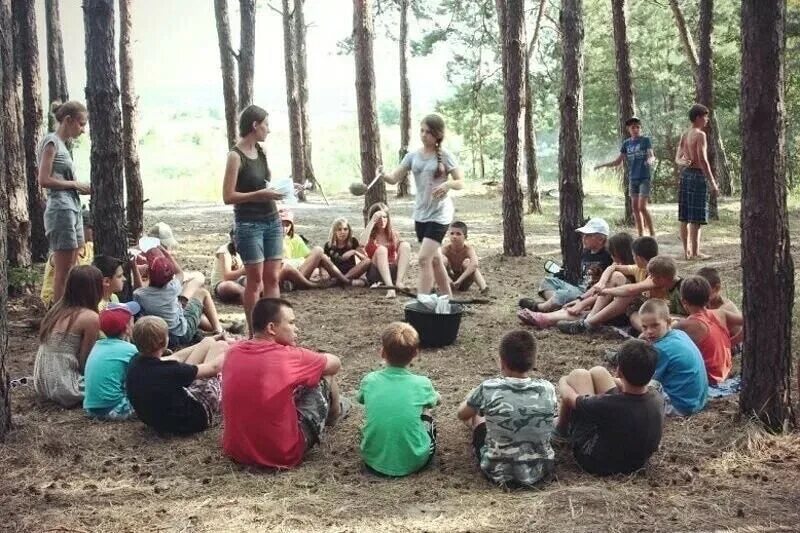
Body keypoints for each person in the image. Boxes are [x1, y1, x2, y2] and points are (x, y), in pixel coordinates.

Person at [222, 298, 347, 469]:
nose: (296, 328)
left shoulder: (233, 352)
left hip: (237, 451)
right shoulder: (288, 356)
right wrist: (309, 358)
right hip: (282, 454)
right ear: (271, 328)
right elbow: (335, 363)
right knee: (325, 376)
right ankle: (335, 415)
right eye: (291, 323)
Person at [378, 114, 464, 298]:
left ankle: (422, 301)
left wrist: (447, 184)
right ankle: (447, 299)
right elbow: (394, 179)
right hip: (421, 214)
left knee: (424, 259)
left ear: (437, 135)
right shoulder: (412, 156)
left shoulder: (446, 156)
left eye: (428, 132)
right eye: (422, 131)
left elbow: (460, 182)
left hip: (440, 214)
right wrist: (383, 174)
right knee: (434, 259)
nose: (424, 135)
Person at [456, 330, 556, 487]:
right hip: (541, 469)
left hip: (497, 470)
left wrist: (472, 398)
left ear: (501, 362)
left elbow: (462, 414)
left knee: (477, 416)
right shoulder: (547, 388)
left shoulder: (488, 388)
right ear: (533, 361)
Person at [556, 339, 665, 476]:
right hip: (637, 461)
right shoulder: (656, 396)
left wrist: (564, 380)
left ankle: (560, 430)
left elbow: (568, 398)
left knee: (578, 375)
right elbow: (625, 384)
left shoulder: (609, 405)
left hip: (598, 462)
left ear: (618, 370)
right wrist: (603, 378)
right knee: (599, 371)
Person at [222, 105, 285, 336]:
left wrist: (282, 189)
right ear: (254, 126)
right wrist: (259, 195)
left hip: (272, 220)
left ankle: (274, 329)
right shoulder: (235, 156)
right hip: (249, 224)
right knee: (255, 281)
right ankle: (253, 332)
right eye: (266, 124)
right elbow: (228, 196)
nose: (268, 129)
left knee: (272, 278)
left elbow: (265, 183)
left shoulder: (262, 151)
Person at [357, 322, 440, 477]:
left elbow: (361, 399)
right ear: (415, 354)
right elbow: (434, 401)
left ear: (382, 352)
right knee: (426, 410)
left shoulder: (369, 380)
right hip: (416, 461)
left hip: (372, 461)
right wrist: (436, 396)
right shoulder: (422, 383)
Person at [126, 317, 227, 435]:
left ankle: (210, 343)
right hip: (191, 419)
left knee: (209, 342)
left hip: (157, 420)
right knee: (221, 346)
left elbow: (176, 357)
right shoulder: (170, 371)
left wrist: (206, 342)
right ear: (164, 342)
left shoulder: (135, 362)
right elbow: (213, 368)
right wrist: (231, 349)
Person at [37, 101, 91, 304]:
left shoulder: (63, 146)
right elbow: (43, 180)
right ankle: (60, 317)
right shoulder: (51, 142)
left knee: (74, 265)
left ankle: (70, 308)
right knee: (63, 271)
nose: (83, 130)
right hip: (60, 209)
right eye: (81, 124)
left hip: (72, 209)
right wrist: (75, 184)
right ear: (68, 120)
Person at [522, 232, 633, 330]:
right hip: (603, 304)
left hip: (619, 312)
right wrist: (581, 299)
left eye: (613, 254)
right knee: (574, 307)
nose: (612, 257)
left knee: (582, 310)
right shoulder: (613, 265)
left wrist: (583, 302)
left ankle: (546, 318)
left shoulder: (629, 271)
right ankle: (546, 316)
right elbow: (600, 288)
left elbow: (605, 290)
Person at [557, 235, 658, 334]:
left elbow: (631, 290)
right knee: (616, 278)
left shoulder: (654, 275)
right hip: (635, 308)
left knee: (630, 297)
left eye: (634, 256)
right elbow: (612, 268)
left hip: (652, 309)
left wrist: (605, 291)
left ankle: (587, 323)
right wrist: (601, 284)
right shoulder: (638, 268)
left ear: (638, 258)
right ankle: (590, 319)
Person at [33, 265, 102, 407]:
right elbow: (86, 361)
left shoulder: (56, 310)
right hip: (66, 386)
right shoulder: (90, 317)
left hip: (42, 383)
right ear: (95, 289)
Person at [133, 247, 223, 347]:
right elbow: (180, 273)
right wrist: (167, 254)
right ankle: (218, 330)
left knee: (188, 309)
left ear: (148, 273)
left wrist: (134, 268)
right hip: (181, 334)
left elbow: (138, 289)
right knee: (202, 293)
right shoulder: (173, 287)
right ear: (171, 275)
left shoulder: (141, 295)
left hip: (160, 337)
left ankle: (202, 332)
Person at [519, 218, 612, 314]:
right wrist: (563, 274)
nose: (584, 238)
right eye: (583, 235)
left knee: (562, 294)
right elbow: (582, 275)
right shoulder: (585, 253)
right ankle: (557, 305)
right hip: (580, 288)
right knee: (547, 281)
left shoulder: (608, 255)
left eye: (588, 235)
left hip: (590, 294)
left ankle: (541, 307)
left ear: (600, 239)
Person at [639, 299, 708, 416]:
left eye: (655, 325)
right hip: (699, 401)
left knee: (635, 388)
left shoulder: (660, 350)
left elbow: (645, 381)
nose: (649, 332)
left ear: (668, 322)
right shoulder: (680, 334)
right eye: (644, 327)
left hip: (680, 407)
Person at [674, 276, 742, 385]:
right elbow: (749, 321)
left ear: (683, 301)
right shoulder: (721, 313)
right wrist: (732, 341)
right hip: (725, 372)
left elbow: (661, 336)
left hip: (709, 380)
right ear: (708, 297)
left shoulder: (685, 325)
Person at [594, 117, 656, 237]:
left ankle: (652, 233)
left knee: (642, 207)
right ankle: (641, 234)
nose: (636, 129)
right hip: (633, 179)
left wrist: (650, 160)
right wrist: (602, 165)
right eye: (633, 127)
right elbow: (618, 161)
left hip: (644, 178)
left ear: (640, 128)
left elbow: (651, 155)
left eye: (637, 127)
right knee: (635, 208)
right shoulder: (626, 143)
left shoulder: (645, 140)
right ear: (628, 129)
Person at [675, 103, 720, 260]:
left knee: (685, 216)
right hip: (697, 176)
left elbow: (678, 158)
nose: (707, 119)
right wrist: (713, 183)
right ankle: (695, 253)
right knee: (696, 217)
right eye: (705, 116)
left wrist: (684, 163)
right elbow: (703, 160)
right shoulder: (700, 135)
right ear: (698, 118)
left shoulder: (685, 134)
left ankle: (686, 252)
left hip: (686, 175)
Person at [597, 255, 685, 332]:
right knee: (634, 311)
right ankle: (648, 332)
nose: (650, 279)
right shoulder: (663, 284)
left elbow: (691, 316)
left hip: (677, 321)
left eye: (652, 277)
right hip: (662, 317)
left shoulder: (682, 290)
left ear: (661, 279)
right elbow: (629, 290)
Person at [83, 302, 141, 420]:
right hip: (114, 408)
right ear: (127, 328)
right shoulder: (130, 350)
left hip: (90, 409)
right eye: (132, 322)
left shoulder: (97, 346)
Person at [280, 209, 351, 288]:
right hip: (283, 274)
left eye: (287, 225)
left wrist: (321, 268)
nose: (284, 229)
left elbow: (310, 257)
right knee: (286, 268)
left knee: (319, 251)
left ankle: (344, 280)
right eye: (281, 225)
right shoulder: (270, 240)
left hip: (300, 272)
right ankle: (315, 285)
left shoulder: (295, 238)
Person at [40, 208, 94, 307]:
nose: (94, 231)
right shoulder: (65, 250)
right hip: (56, 301)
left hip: (80, 298)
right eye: (91, 227)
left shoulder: (90, 247)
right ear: (81, 228)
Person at [360, 202, 411, 298]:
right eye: (379, 218)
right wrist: (371, 222)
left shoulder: (393, 234)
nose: (382, 220)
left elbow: (403, 252)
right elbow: (362, 243)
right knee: (382, 250)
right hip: (375, 272)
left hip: (392, 270)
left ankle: (399, 282)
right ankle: (390, 288)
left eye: (384, 217)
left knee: (405, 245)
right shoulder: (369, 234)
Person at [696, 266, 743, 348]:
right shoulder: (708, 303)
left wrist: (730, 343)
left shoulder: (725, 308)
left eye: (704, 291)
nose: (700, 294)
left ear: (717, 288)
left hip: (732, 346)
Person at [441, 221, 489, 294]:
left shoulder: (468, 249)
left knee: (468, 262)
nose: (454, 236)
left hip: (464, 281)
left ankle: (484, 287)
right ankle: (431, 287)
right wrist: (448, 280)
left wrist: (459, 281)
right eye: (452, 233)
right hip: (448, 281)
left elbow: (475, 264)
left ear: (465, 237)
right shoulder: (445, 249)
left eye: (458, 234)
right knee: (441, 260)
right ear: (448, 235)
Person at [323, 217, 371, 286]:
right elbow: (324, 263)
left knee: (367, 261)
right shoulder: (328, 245)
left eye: (345, 229)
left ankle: (340, 281)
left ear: (349, 231)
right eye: (339, 229)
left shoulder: (353, 241)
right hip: (335, 272)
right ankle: (347, 282)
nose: (343, 232)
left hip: (351, 272)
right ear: (334, 232)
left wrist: (354, 252)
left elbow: (366, 260)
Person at [210, 229, 247, 304]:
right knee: (229, 286)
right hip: (222, 283)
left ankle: (246, 296)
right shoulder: (224, 251)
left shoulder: (247, 249)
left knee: (253, 281)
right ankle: (248, 296)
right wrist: (244, 270)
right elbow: (227, 276)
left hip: (239, 280)